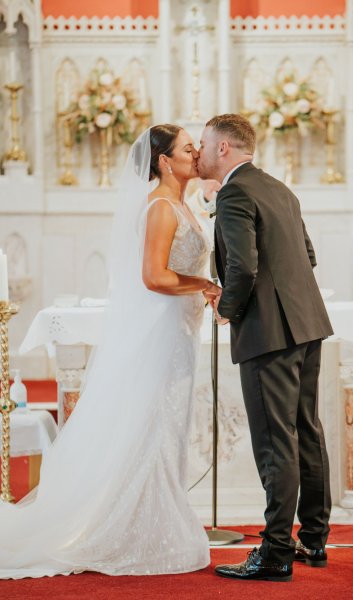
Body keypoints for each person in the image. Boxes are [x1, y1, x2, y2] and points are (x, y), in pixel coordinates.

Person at [0, 125, 220, 579]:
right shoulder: (160, 206)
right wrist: (205, 285)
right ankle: (131, 529)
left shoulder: (183, 202)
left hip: (178, 329)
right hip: (161, 332)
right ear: (163, 161)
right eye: (186, 148)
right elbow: (154, 277)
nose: (195, 153)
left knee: (167, 425)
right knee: (152, 423)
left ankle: (152, 523)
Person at [197, 113, 333, 582]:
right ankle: (313, 540)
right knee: (306, 431)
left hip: (268, 333)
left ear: (224, 149)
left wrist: (228, 309)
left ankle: (275, 552)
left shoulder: (235, 192)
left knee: (276, 443)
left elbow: (244, 268)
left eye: (203, 143)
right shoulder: (280, 189)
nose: (197, 151)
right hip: (307, 325)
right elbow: (309, 256)